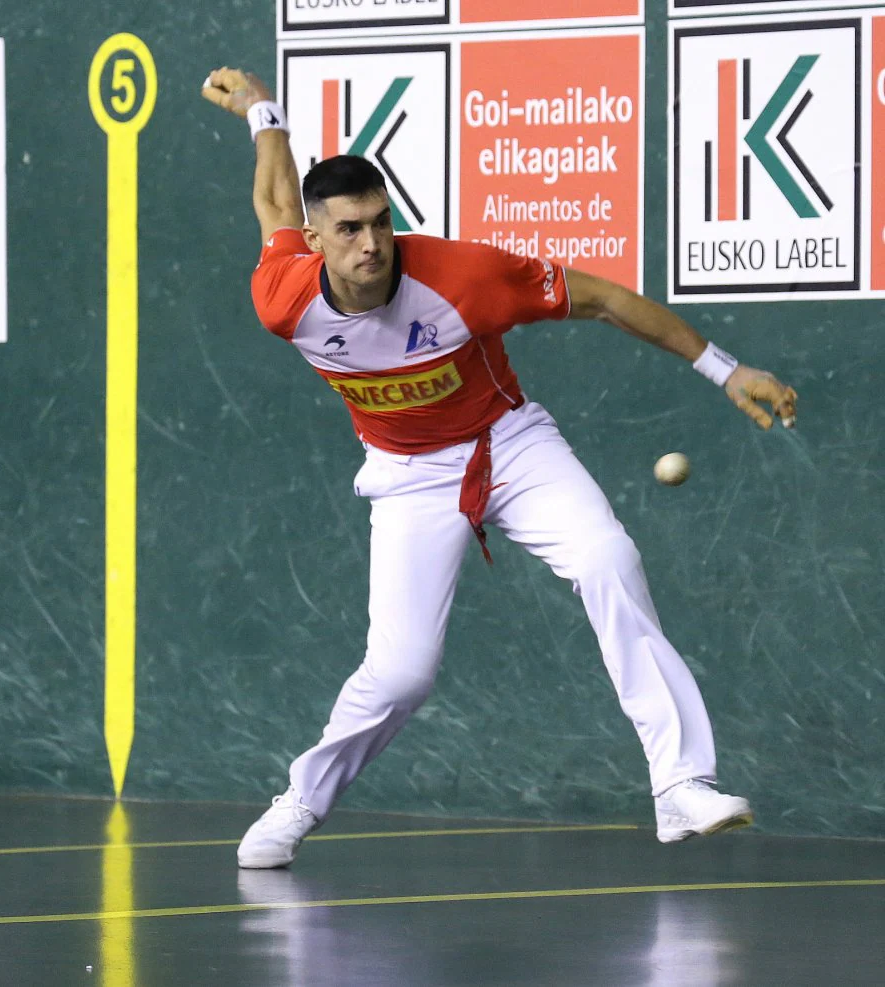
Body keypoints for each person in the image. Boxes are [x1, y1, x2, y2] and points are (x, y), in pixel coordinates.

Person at [200, 68, 798, 869]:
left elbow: (604, 300)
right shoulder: (284, 300)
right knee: (403, 674)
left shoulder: (461, 277)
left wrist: (725, 369)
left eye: (380, 222)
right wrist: (261, 112)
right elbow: (275, 200)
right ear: (317, 243)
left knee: (607, 559)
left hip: (508, 445)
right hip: (408, 474)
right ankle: (302, 799)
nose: (372, 244)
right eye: (347, 230)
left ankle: (683, 783)